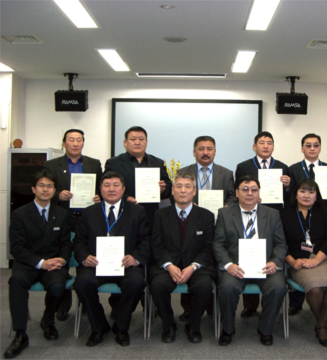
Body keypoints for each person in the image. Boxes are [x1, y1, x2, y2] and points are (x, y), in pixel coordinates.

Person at [73, 171, 150, 347]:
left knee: (137, 282)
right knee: (82, 282)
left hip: (126, 265)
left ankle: (121, 327)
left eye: (116, 185)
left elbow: (146, 240)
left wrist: (136, 258)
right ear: (100, 189)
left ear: (123, 189)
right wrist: (85, 258)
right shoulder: (89, 213)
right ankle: (99, 327)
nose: (111, 189)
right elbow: (79, 241)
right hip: (96, 265)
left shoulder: (137, 212)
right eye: (107, 185)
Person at [213, 175, 287, 346]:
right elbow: (218, 244)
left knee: (278, 287)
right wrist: (229, 265)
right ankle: (228, 329)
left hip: (265, 266)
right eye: (245, 189)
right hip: (236, 267)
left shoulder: (272, 214)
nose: (249, 193)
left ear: (258, 193)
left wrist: (275, 263)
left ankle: (266, 329)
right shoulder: (224, 213)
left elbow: (281, 244)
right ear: (237, 193)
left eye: (254, 189)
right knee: (227, 287)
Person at [5, 170, 71, 359]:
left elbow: (66, 244)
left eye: (49, 186)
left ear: (54, 190)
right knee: (16, 282)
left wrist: (63, 259)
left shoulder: (62, 214)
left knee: (58, 286)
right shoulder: (19, 214)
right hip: (28, 263)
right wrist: (41, 263)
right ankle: (20, 334)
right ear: (34, 189)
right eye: (41, 185)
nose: (45, 189)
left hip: (54, 262)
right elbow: (17, 248)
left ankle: (48, 320)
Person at [43, 128, 102, 321]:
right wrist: (57, 194)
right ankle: (63, 303)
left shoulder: (93, 164)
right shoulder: (51, 165)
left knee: (85, 260)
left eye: (79, 140)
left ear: (83, 143)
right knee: (62, 261)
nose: (75, 143)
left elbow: (102, 187)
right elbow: (45, 188)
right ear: (64, 143)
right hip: (62, 218)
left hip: (87, 220)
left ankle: (86, 301)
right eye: (71, 140)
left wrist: (98, 196)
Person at [149, 171, 216, 344]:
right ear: (172, 191)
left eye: (188, 187)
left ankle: (193, 326)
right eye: (178, 186)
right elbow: (157, 246)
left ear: (194, 191)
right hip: (168, 264)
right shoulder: (160, 215)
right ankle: (168, 324)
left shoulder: (207, 216)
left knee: (204, 286)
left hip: (196, 265)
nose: (183, 190)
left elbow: (208, 248)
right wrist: (169, 266)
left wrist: (193, 266)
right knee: (157, 285)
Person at [177, 135, 235, 321]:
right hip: (192, 224)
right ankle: (188, 309)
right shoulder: (183, 171)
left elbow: (233, 197)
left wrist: (227, 206)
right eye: (201, 149)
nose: (205, 152)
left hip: (217, 223)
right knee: (189, 259)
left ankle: (211, 307)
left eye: (209, 149)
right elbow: (177, 197)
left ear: (215, 152)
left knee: (213, 261)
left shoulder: (226, 173)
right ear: (194, 152)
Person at [281, 178, 327, 347]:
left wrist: (317, 259)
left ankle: (321, 325)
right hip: (298, 261)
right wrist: (292, 262)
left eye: (311, 192)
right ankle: (324, 325)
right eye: (302, 191)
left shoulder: (325, 213)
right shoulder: (285, 215)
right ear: (295, 194)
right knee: (315, 288)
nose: (307, 195)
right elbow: (279, 243)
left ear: (317, 195)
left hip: (325, 257)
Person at [287, 133, 327, 315]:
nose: (312, 148)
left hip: (320, 221)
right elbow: (289, 194)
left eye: (316, 145)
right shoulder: (293, 169)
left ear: (320, 148)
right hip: (298, 224)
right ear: (302, 148)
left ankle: (321, 322)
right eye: (308, 145)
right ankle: (295, 303)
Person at [235, 131, 290, 317]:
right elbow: (238, 192)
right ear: (254, 146)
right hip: (248, 215)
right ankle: (250, 306)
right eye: (261, 142)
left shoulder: (283, 167)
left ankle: (268, 307)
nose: (265, 146)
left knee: (268, 254)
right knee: (249, 252)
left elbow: (290, 197)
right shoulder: (243, 166)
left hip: (272, 217)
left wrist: (288, 185)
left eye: (269, 143)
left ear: (273, 146)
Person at [105, 125, 172, 227]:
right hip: (123, 214)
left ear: (146, 142)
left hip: (150, 216)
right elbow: (105, 187)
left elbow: (168, 187)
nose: (137, 142)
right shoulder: (114, 163)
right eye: (133, 139)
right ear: (125, 142)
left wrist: (163, 189)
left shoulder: (157, 162)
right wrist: (125, 198)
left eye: (141, 139)